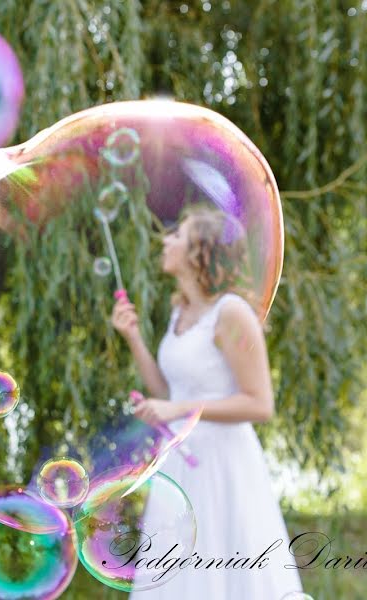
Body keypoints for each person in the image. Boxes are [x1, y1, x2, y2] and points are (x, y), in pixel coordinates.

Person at [112, 205, 304, 598]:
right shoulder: (179, 310)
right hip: (183, 462)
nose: (166, 241)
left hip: (223, 464)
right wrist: (132, 337)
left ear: (201, 251)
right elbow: (169, 392)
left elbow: (260, 403)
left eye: (177, 236)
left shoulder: (231, 313)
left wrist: (181, 410)